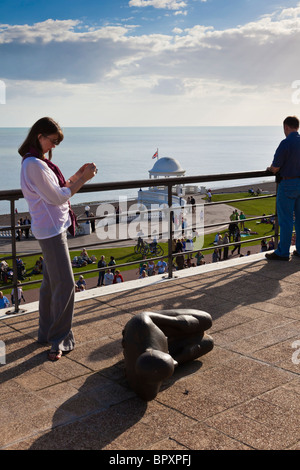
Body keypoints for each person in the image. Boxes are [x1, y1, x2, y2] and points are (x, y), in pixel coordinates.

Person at [19, 117, 97, 361]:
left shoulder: (38, 162)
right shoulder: (34, 164)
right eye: (52, 141)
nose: (53, 146)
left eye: (56, 143)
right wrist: (83, 180)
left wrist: (77, 174)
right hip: (51, 231)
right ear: (39, 136)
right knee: (65, 285)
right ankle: (58, 340)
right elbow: (57, 197)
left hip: (52, 228)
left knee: (51, 285)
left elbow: (59, 188)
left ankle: (45, 333)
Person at [266, 116, 300, 261]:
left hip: (288, 184)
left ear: (286, 127)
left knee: (286, 220)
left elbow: (275, 168)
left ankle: (283, 252)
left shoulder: (285, 143)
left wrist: (270, 169)